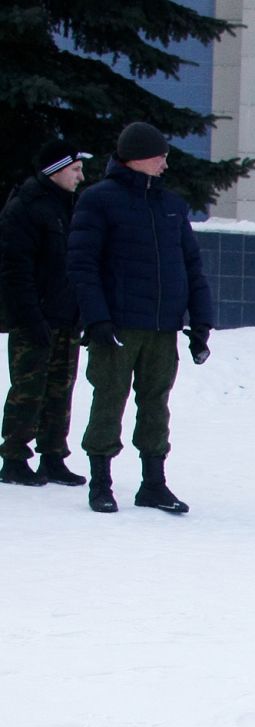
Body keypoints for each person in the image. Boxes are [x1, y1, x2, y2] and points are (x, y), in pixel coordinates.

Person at [66, 121, 214, 516]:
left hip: (163, 327)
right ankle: (101, 482)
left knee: (156, 403)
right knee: (109, 398)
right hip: (118, 325)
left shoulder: (171, 206)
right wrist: (97, 320)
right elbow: (82, 265)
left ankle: (154, 483)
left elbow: (191, 266)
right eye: (159, 156)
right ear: (137, 158)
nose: (165, 163)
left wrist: (201, 323)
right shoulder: (100, 201)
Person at [0, 140, 91, 488]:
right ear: (55, 172)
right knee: (29, 388)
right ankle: (14, 457)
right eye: (75, 169)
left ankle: (53, 455)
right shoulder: (25, 208)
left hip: (66, 316)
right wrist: (29, 316)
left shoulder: (70, 207)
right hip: (34, 319)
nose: (81, 176)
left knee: (60, 389)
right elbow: (14, 270)